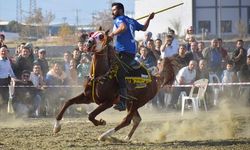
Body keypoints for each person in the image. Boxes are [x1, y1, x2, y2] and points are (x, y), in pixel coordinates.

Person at [109, 2, 154, 111]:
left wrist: (112, 34)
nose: (112, 12)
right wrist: (149, 18)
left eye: (114, 10)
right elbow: (143, 28)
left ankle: (123, 102)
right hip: (129, 52)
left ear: (120, 10)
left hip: (123, 52)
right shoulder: (131, 20)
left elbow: (123, 27)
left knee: (120, 74)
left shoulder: (119, 19)